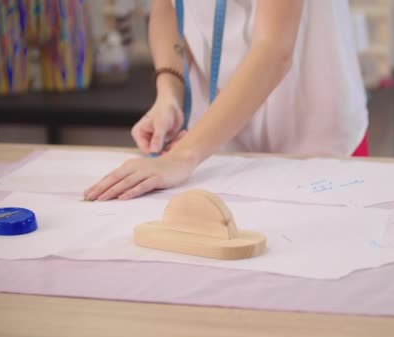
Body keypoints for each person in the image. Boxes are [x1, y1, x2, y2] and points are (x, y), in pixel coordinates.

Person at [84, 0, 369, 201]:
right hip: (216, 137)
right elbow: (166, 10)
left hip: (313, 128)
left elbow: (275, 48)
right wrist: (169, 90)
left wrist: (181, 156)